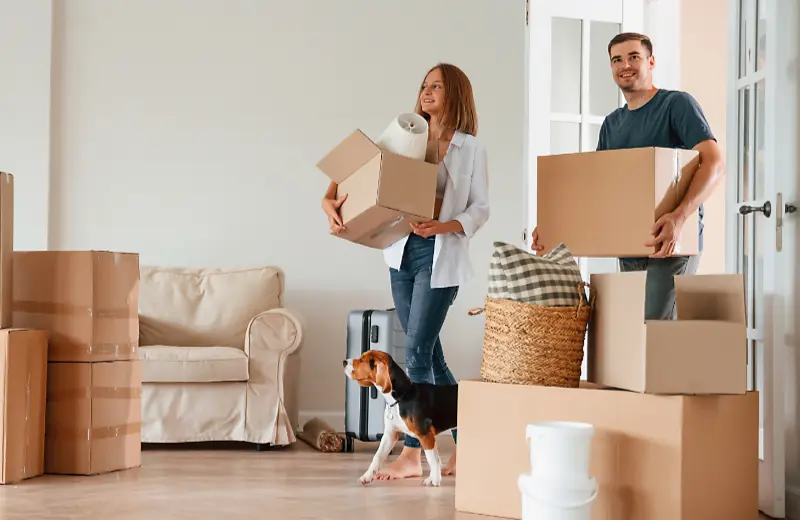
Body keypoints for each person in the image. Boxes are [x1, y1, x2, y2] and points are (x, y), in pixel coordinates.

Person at [322, 63, 490, 479]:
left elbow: (480, 209)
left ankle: (413, 452)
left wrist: (443, 227)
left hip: (440, 255)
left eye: (437, 86)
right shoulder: (405, 136)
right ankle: (472, 444)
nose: (426, 92)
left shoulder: (470, 148)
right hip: (401, 253)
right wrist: (329, 200)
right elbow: (356, 172)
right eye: (424, 85)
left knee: (415, 352)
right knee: (429, 354)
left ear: (456, 94)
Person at [531, 32, 724, 320]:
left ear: (651, 61)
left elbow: (714, 162)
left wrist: (679, 217)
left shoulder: (676, 105)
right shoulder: (612, 124)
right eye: (617, 60)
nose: (625, 65)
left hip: (670, 241)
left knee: (656, 326)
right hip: (630, 243)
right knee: (636, 331)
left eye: (634, 57)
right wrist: (554, 227)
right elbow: (599, 189)